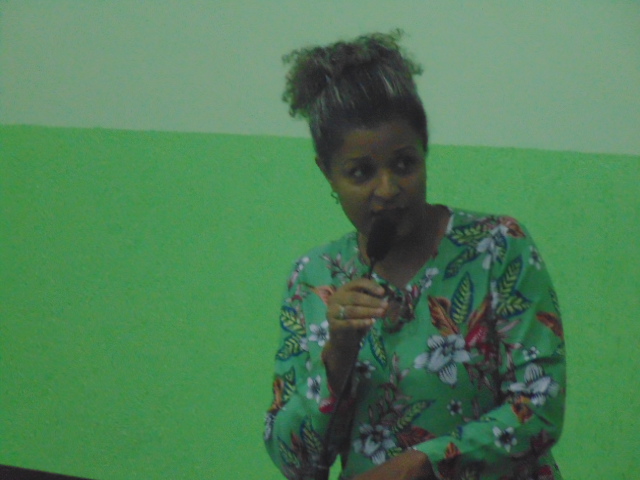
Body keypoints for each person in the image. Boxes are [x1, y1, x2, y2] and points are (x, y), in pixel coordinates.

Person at [264, 30, 566, 480]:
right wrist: (337, 354)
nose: (387, 189)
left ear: (425, 150)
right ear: (327, 173)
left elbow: (540, 409)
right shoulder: (315, 278)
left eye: (404, 164)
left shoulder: (499, 248)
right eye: (361, 172)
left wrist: (426, 463)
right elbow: (295, 461)